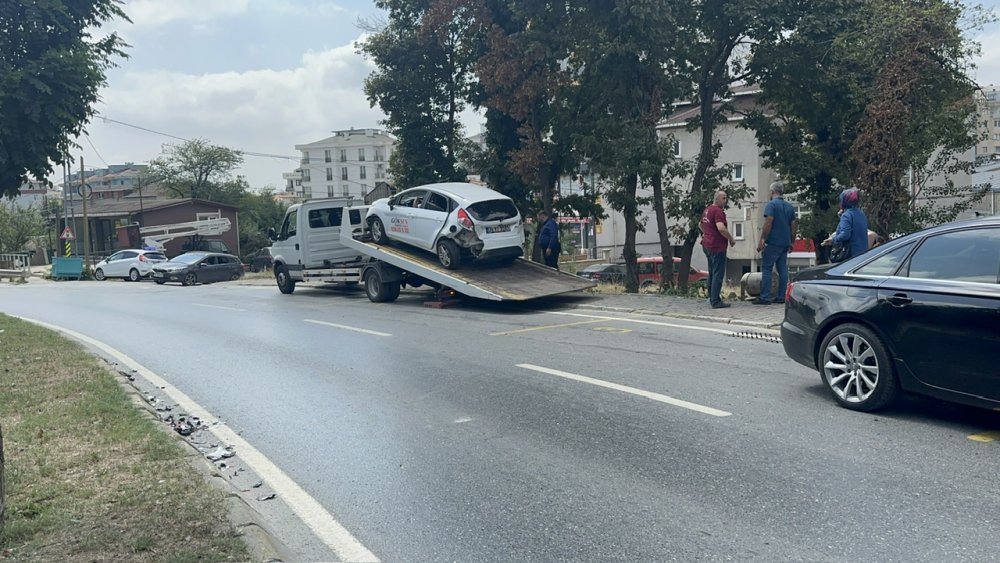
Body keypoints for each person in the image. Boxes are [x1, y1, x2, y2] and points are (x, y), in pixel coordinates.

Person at [753, 182, 797, 305]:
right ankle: (782, 296)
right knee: (782, 269)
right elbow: (794, 226)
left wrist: (762, 239)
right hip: (785, 242)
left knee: (767, 268)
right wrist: (792, 242)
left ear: (772, 192)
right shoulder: (789, 207)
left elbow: (768, 222)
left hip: (773, 242)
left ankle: (765, 297)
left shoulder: (771, 205)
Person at [700, 190, 736, 309]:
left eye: (726, 198)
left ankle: (711, 297)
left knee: (712, 272)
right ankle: (715, 300)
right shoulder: (718, 211)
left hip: (707, 244)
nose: (726, 200)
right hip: (717, 246)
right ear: (717, 199)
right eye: (723, 198)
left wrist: (707, 233)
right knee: (718, 274)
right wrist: (731, 238)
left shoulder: (707, 210)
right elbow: (721, 228)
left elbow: (700, 225)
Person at [822, 187, 869, 260]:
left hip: (851, 255)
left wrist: (833, 240)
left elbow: (845, 235)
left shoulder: (847, 215)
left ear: (844, 202)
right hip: (862, 254)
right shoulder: (861, 213)